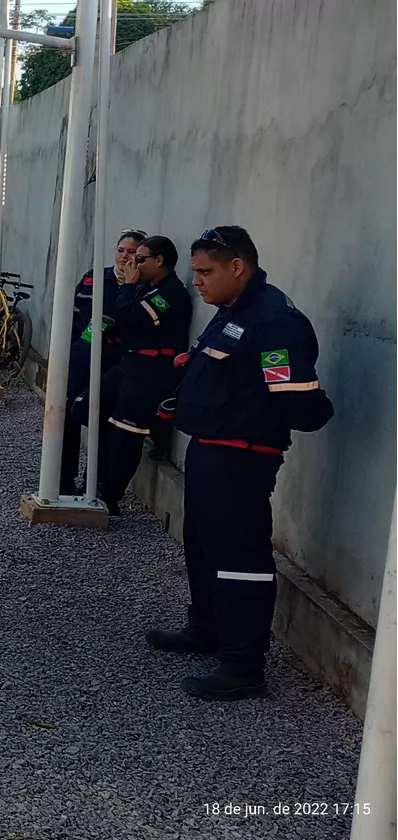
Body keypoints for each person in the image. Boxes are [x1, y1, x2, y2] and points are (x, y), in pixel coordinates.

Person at [148, 226, 332, 701]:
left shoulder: (274, 322)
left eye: (206, 272)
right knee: (203, 545)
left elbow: (297, 400)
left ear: (237, 267)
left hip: (242, 456)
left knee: (238, 557)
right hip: (212, 448)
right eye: (195, 273)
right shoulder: (232, 311)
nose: (198, 282)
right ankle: (206, 628)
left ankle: (243, 663)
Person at [89, 235, 192, 513]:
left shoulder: (170, 293)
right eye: (125, 254)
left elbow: (133, 319)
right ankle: (95, 481)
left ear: (159, 261)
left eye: (139, 258)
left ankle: (110, 497)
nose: (132, 262)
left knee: (126, 434)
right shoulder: (145, 287)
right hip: (129, 363)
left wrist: (128, 287)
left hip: (152, 371)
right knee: (86, 409)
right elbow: (117, 316)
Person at [58, 229, 147, 495]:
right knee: (68, 418)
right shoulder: (93, 278)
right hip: (82, 359)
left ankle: (92, 484)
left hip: (114, 364)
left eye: (132, 252)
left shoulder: (142, 286)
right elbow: (72, 316)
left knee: (103, 423)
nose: (124, 257)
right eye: (121, 250)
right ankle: (63, 480)